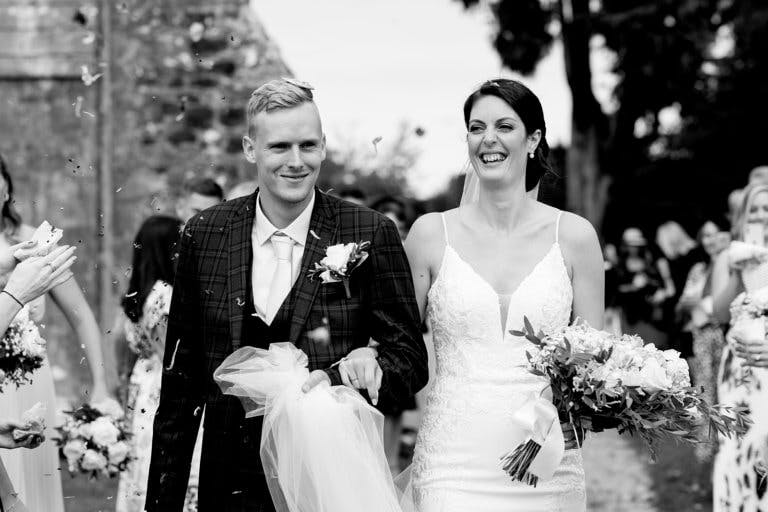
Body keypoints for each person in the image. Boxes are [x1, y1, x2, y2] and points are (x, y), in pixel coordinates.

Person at [145, 78, 428, 511]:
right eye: (279, 147)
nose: (296, 162)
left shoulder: (370, 233)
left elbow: (409, 360)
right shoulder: (205, 234)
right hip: (226, 486)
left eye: (308, 146)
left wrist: (353, 373)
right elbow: (180, 387)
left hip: (328, 480)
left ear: (324, 147)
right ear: (249, 149)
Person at [404, 79, 604, 511]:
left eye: (504, 126)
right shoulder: (428, 234)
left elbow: (594, 358)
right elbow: (395, 342)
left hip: (547, 463)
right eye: (476, 128)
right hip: (451, 462)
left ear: (533, 139)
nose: (488, 139)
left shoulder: (574, 236)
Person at [0, 155, 109, 512]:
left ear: (7, 190)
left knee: (32, 475)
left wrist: (101, 385)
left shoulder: (34, 241)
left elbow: (82, 316)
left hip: (30, 382)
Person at [114, 215, 204, 511]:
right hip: (165, 388)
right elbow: (173, 354)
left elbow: (125, 346)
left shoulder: (138, 293)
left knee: (142, 469)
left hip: (142, 385)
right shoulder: (165, 296)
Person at [712, 183, 768, 511]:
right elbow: (718, 313)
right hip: (739, 368)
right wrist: (737, 272)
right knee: (737, 444)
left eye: (767, 208)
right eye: (755, 208)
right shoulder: (731, 255)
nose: (761, 215)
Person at [675, 218, 730, 462]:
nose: (710, 240)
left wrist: (700, 305)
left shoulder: (732, 265)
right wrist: (688, 305)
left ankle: (728, 452)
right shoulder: (698, 270)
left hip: (724, 336)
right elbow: (682, 307)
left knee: (727, 394)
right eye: (705, 236)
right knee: (705, 395)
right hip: (699, 338)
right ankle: (707, 456)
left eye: (714, 234)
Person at [613, 227, 676, 345]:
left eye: (637, 245)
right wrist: (633, 287)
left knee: (654, 346)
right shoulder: (620, 265)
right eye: (631, 245)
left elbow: (668, 287)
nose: (634, 248)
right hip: (630, 315)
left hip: (651, 315)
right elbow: (616, 292)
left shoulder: (651, 261)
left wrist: (661, 293)